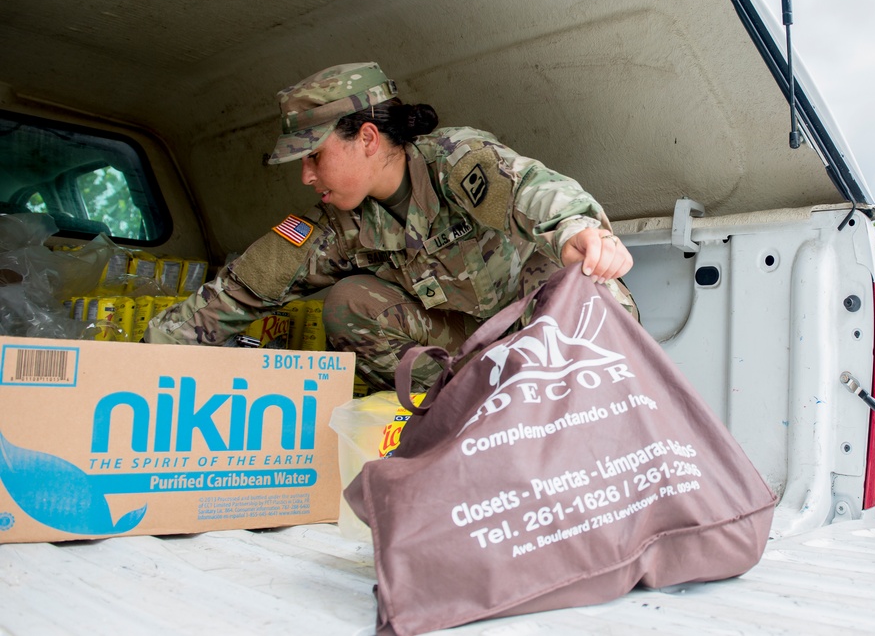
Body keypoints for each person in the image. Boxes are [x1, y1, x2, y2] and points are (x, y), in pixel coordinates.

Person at [146, 62, 637, 391]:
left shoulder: (454, 159)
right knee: (349, 304)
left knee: (587, 284)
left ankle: (604, 431)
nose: (306, 175)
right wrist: (141, 360)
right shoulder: (337, 226)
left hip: (540, 332)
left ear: (365, 137)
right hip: (468, 353)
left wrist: (581, 230)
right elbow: (242, 289)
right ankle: (454, 417)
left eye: (314, 156)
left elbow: (530, 188)